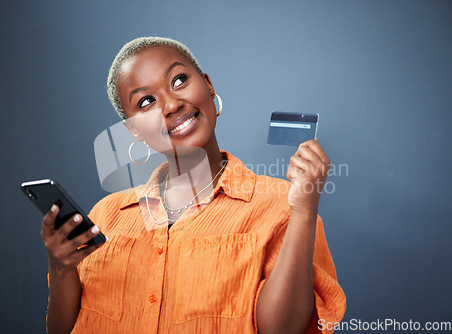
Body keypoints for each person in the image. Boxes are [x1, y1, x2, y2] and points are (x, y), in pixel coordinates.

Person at [40, 37, 346, 334]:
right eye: (146, 102)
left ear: (208, 86)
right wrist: (61, 267)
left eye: (178, 81)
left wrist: (304, 212)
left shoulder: (282, 206)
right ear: (133, 130)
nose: (171, 105)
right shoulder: (105, 216)